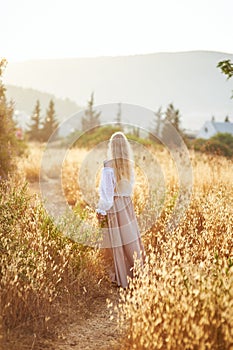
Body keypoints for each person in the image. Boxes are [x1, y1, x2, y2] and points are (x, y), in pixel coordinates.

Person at [96, 131, 145, 288]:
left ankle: (121, 276)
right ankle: (138, 273)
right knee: (130, 240)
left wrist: (101, 209)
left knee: (116, 243)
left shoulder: (108, 167)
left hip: (114, 206)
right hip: (127, 205)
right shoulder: (129, 165)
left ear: (111, 147)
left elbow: (108, 195)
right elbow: (129, 189)